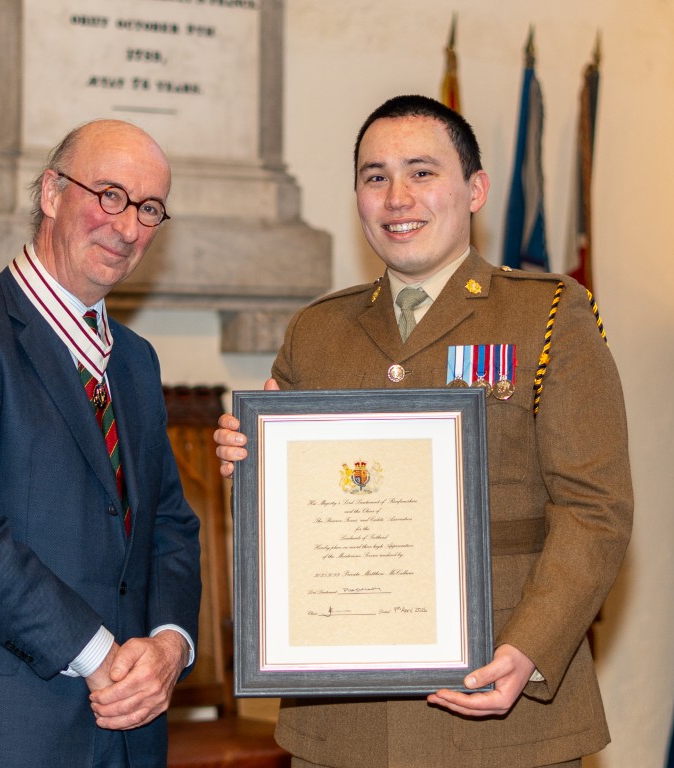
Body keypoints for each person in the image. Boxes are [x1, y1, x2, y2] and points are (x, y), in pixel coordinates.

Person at [215, 95, 633, 767]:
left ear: (475, 190)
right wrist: (250, 471)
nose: (397, 196)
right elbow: (296, 530)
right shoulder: (317, 331)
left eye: (421, 172)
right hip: (343, 723)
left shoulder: (551, 315)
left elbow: (596, 509)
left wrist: (528, 649)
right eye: (374, 176)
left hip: (501, 708)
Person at [0, 120, 202, 768]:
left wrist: (169, 646)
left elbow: (170, 524)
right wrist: (101, 656)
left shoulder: (134, 362)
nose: (128, 226)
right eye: (109, 195)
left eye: (149, 209)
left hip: (129, 729)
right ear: (52, 192)